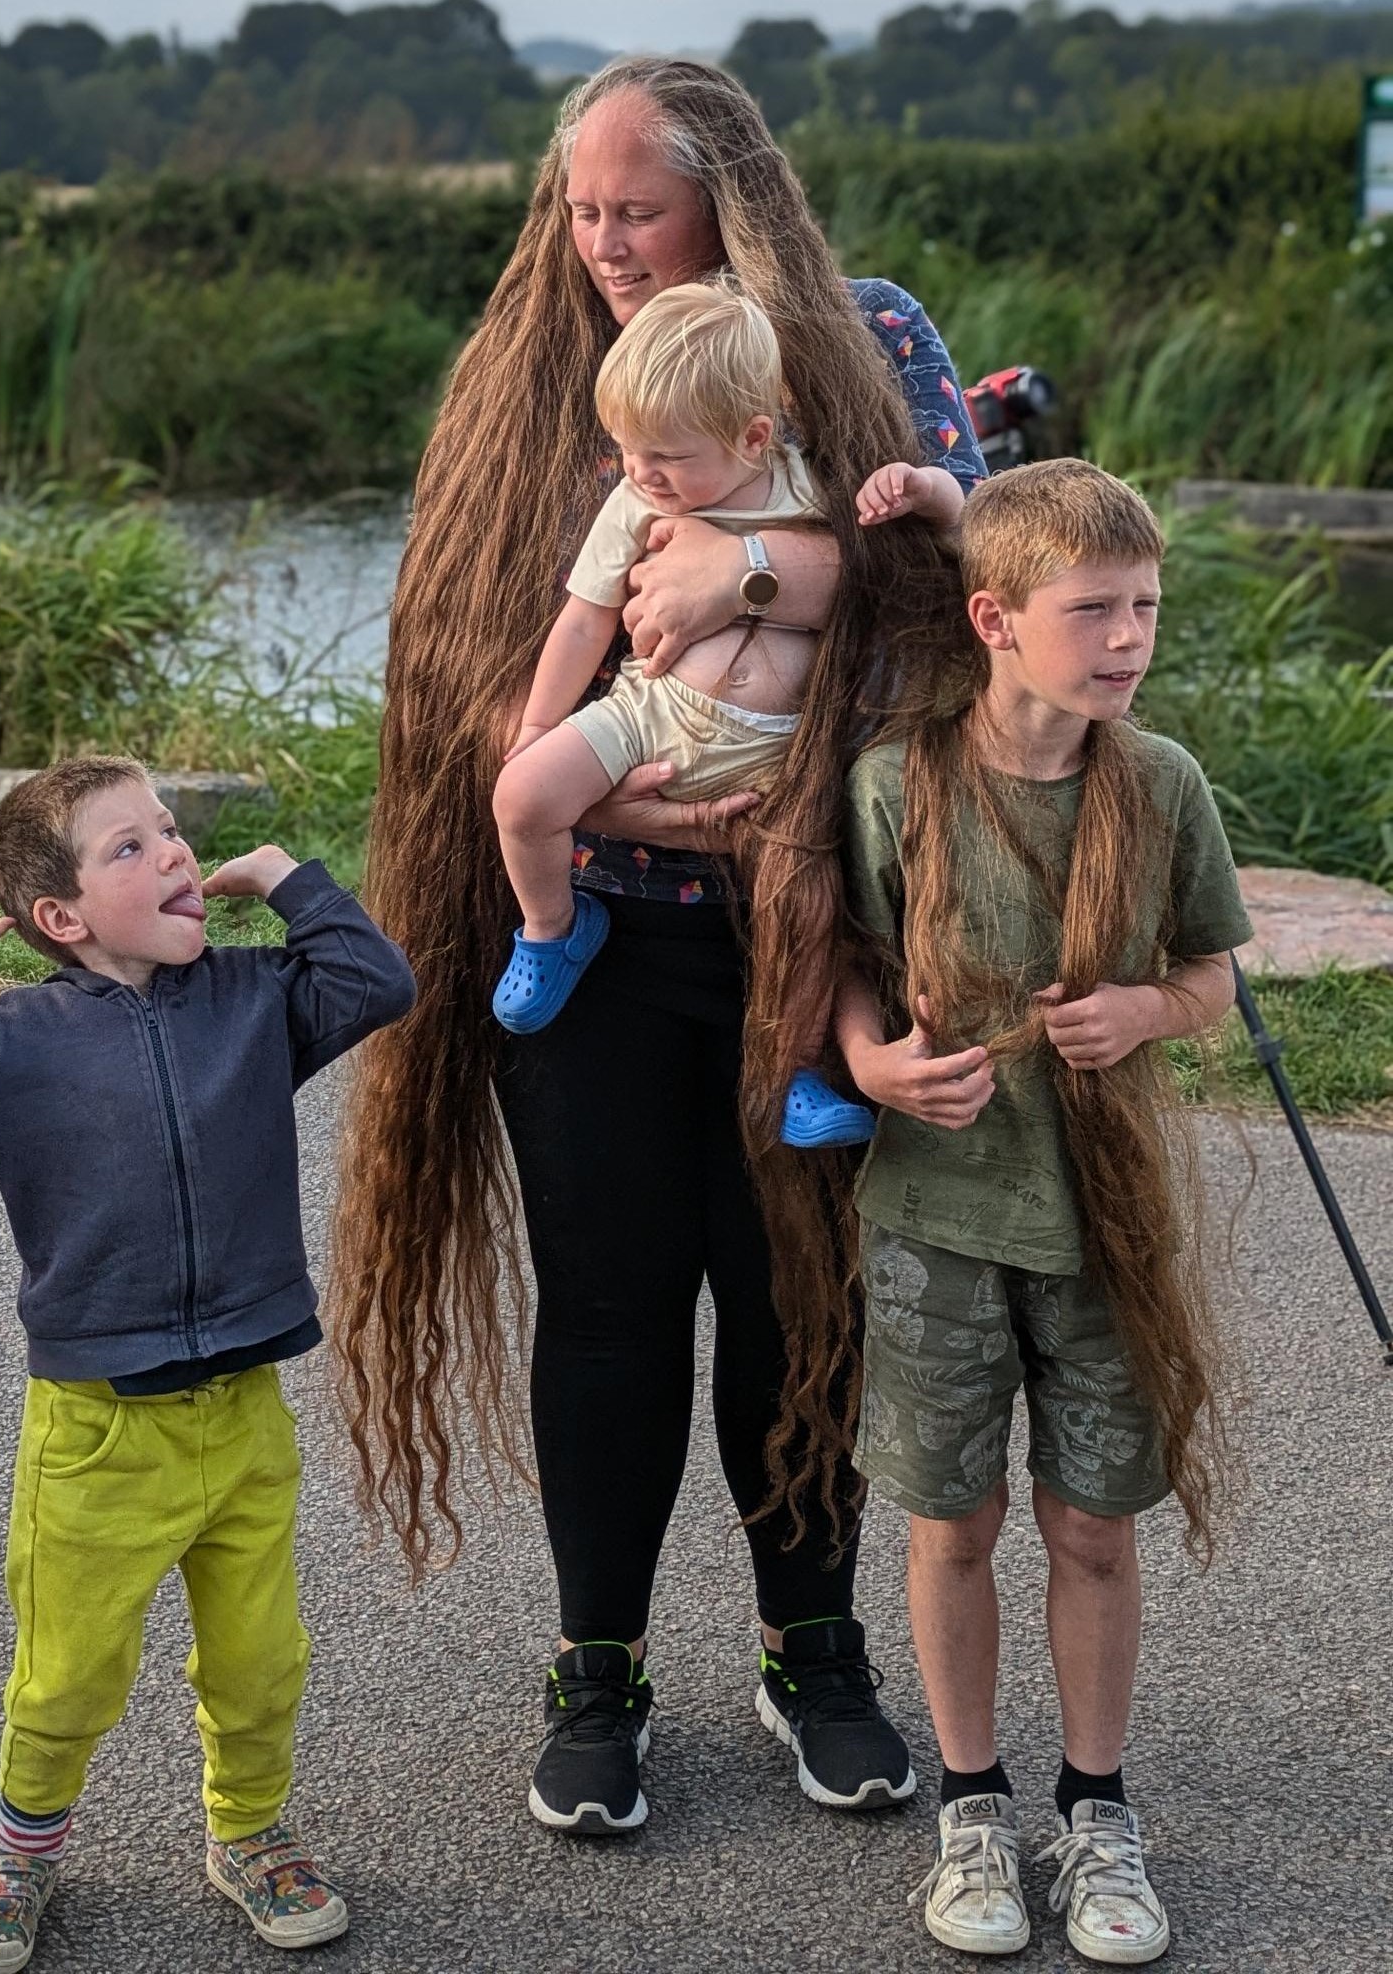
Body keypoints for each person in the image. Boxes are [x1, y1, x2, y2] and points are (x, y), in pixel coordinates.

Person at [330, 55, 985, 1839]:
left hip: (815, 935)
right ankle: (598, 1665)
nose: (604, 239)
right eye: (582, 205)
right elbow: (470, 679)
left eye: (639, 205)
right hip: (600, 947)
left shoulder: (870, 339)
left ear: (735, 203)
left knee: (798, 1300)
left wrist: (762, 584)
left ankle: (816, 1644)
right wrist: (596, 810)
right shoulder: (536, 382)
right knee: (612, 1310)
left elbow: (973, 587)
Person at [0, 758, 414, 1973]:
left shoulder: (253, 1001)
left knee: (261, 1661)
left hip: (245, 1413)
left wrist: (290, 881)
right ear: (61, 917)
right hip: (97, 1431)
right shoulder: (9, 1046)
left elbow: (377, 980)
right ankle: (20, 1852)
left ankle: (248, 1831)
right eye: (132, 848)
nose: (179, 854)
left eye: (174, 832)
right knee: (68, 1675)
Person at [835, 460, 1248, 1962]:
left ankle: (1095, 1805)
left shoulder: (1164, 783)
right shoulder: (898, 781)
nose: (1128, 635)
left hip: (1105, 1213)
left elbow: (1212, 972)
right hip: (939, 1208)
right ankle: (970, 1804)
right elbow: (849, 965)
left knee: (1092, 1521)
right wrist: (872, 1056)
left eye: (1144, 605)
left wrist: (1146, 1003)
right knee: (952, 1518)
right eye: (1095, 609)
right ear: (997, 617)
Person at [491, 278, 960, 1157]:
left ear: (752, 437)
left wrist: (921, 486)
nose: (641, 473)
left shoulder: (808, 486)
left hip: (778, 756)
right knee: (521, 797)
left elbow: (913, 561)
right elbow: (584, 618)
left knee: (809, 900)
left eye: (666, 455)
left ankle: (796, 1071)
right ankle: (553, 928)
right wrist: (534, 730)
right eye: (627, 450)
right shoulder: (635, 506)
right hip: (650, 716)